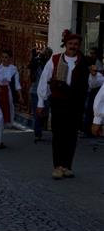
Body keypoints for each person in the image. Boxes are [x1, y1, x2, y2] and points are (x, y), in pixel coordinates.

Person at [37, 30, 90, 179]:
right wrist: (41, 102)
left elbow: (90, 83)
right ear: (65, 44)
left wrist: (92, 76)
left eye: (76, 44)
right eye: (70, 44)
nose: (73, 46)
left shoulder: (83, 61)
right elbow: (44, 81)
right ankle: (58, 166)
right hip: (59, 102)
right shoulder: (54, 60)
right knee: (59, 134)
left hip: (75, 103)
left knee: (71, 135)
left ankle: (67, 166)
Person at [0, 50, 23, 149]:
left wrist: (20, 96)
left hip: (7, 94)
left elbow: (17, 84)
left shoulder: (13, 69)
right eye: (3, 57)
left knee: (5, 116)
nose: (4, 59)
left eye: (6, 57)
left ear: (10, 58)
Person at [28, 47, 53, 142]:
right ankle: (38, 134)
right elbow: (30, 66)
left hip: (46, 93)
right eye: (44, 54)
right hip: (35, 91)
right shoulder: (37, 63)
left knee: (44, 113)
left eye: (47, 54)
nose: (45, 56)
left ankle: (40, 129)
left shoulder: (50, 65)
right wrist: (35, 57)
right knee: (37, 113)